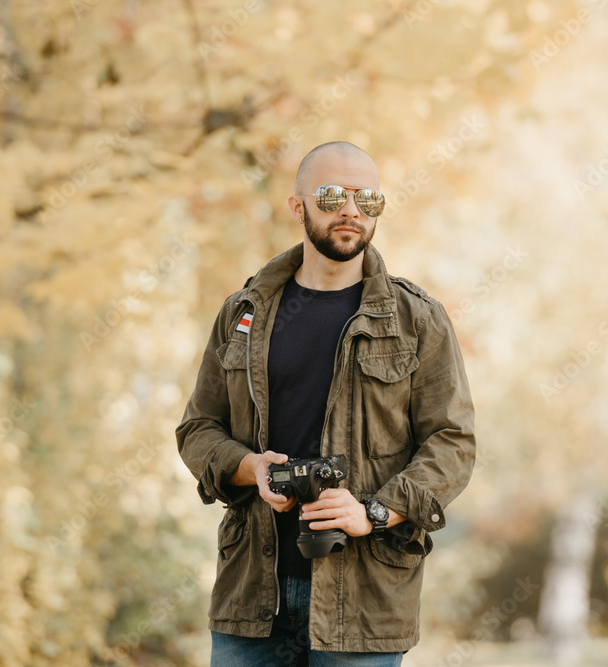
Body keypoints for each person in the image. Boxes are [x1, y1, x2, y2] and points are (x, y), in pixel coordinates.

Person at [175, 141, 476, 666]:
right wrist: (250, 468)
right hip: (252, 597)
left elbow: (453, 443)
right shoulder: (242, 314)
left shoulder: (418, 320)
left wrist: (375, 512)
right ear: (299, 207)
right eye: (333, 195)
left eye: (368, 199)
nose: (351, 212)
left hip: (363, 607)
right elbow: (198, 429)